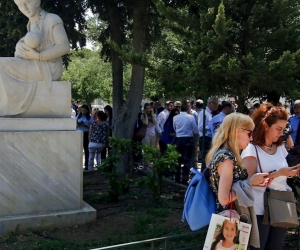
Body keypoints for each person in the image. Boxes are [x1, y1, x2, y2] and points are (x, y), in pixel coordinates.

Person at [241, 103, 300, 250]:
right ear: (266, 126)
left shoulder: (279, 147)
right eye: (278, 129)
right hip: (260, 210)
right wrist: (279, 173)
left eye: (284, 129)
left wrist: (293, 171)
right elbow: (246, 183)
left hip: (280, 206)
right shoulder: (251, 149)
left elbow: (284, 171)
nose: (282, 133)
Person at [0, 0, 70, 116]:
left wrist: (38, 56)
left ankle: (11, 106)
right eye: (20, 6)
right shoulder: (30, 24)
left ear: (37, 2)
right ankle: (9, 104)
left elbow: (64, 47)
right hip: (34, 62)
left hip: (49, 67)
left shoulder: (52, 19)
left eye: (27, 3)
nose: (25, 8)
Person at [206, 113, 269, 214]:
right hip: (229, 219)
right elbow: (224, 199)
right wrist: (251, 183)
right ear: (237, 131)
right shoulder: (227, 158)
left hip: (229, 216)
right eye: (250, 133)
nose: (251, 138)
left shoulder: (225, 154)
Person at [173, 106, 198, 185]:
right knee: (187, 159)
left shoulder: (175, 117)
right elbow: (195, 129)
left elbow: (174, 127)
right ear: (188, 110)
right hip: (188, 138)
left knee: (178, 159)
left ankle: (177, 177)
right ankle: (184, 178)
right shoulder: (191, 117)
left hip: (179, 138)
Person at [76, 104, 93, 171]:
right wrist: (78, 124)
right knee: (79, 150)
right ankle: (78, 165)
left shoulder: (90, 117)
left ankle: (86, 165)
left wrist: (85, 125)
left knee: (86, 149)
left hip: (86, 133)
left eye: (84, 110)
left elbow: (91, 126)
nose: (83, 112)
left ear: (87, 110)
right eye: (82, 110)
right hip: (79, 132)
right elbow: (75, 123)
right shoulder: (79, 116)